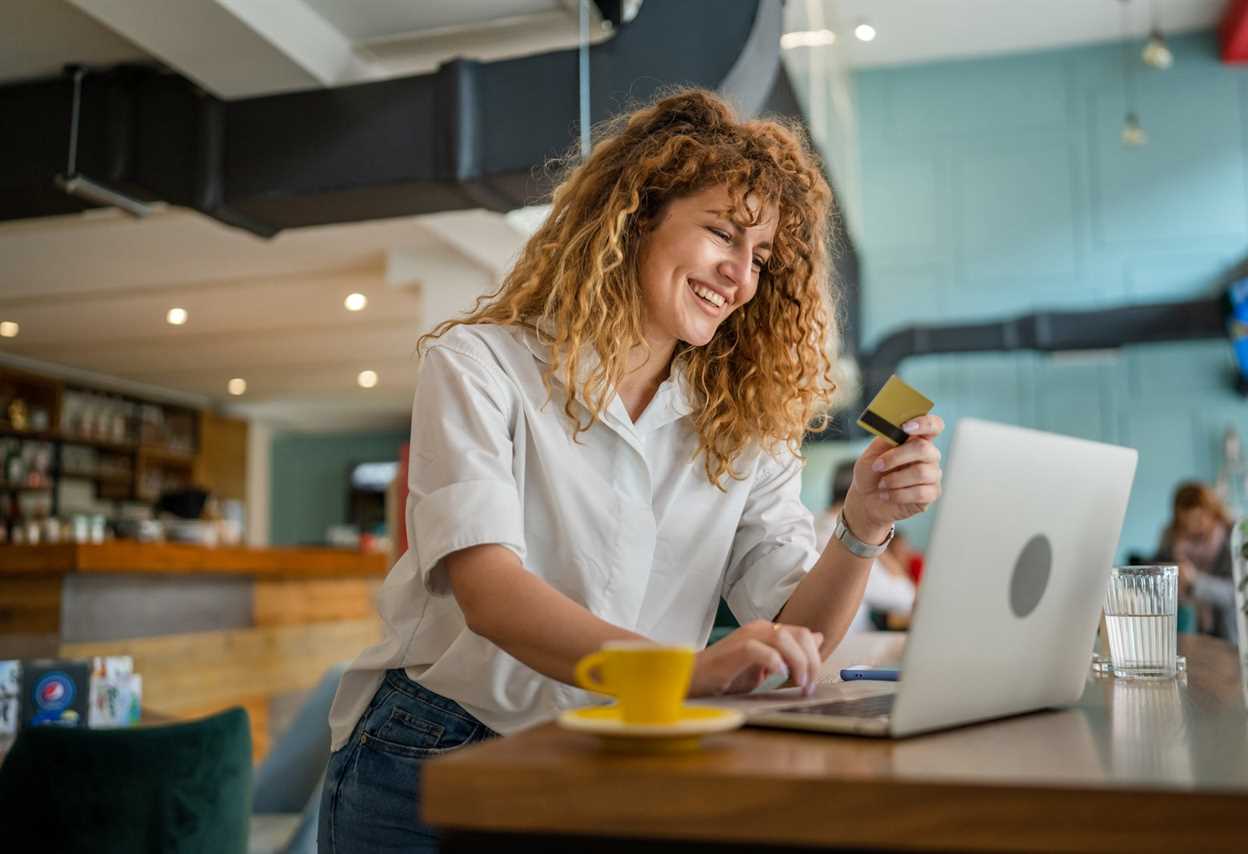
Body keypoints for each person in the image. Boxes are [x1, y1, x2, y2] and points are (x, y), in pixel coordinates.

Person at [318, 89, 945, 853]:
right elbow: (490, 593)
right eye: (722, 233)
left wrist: (863, 524)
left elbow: (794, 639)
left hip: (617, 746)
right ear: (639, 214)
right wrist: (686, 673)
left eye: (761, 259)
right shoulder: (482, 366)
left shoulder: (743, 420)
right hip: (438, 748)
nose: (741, 277)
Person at [814, 459, 916, 632]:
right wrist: (878, 544)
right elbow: (905, 598)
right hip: (847, 647)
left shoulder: (815, 522)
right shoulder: (846, 538)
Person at [1155, 481, 1236, 641]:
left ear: (1212, 511)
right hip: (1186, 629)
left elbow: (1235, 593)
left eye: (1199, 518)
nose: (1193, 527)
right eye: (1186, 520)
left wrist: (1195, 581)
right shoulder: (1171, 537)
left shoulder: (1231, 537)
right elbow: (1156, 571)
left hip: (1227, 632)